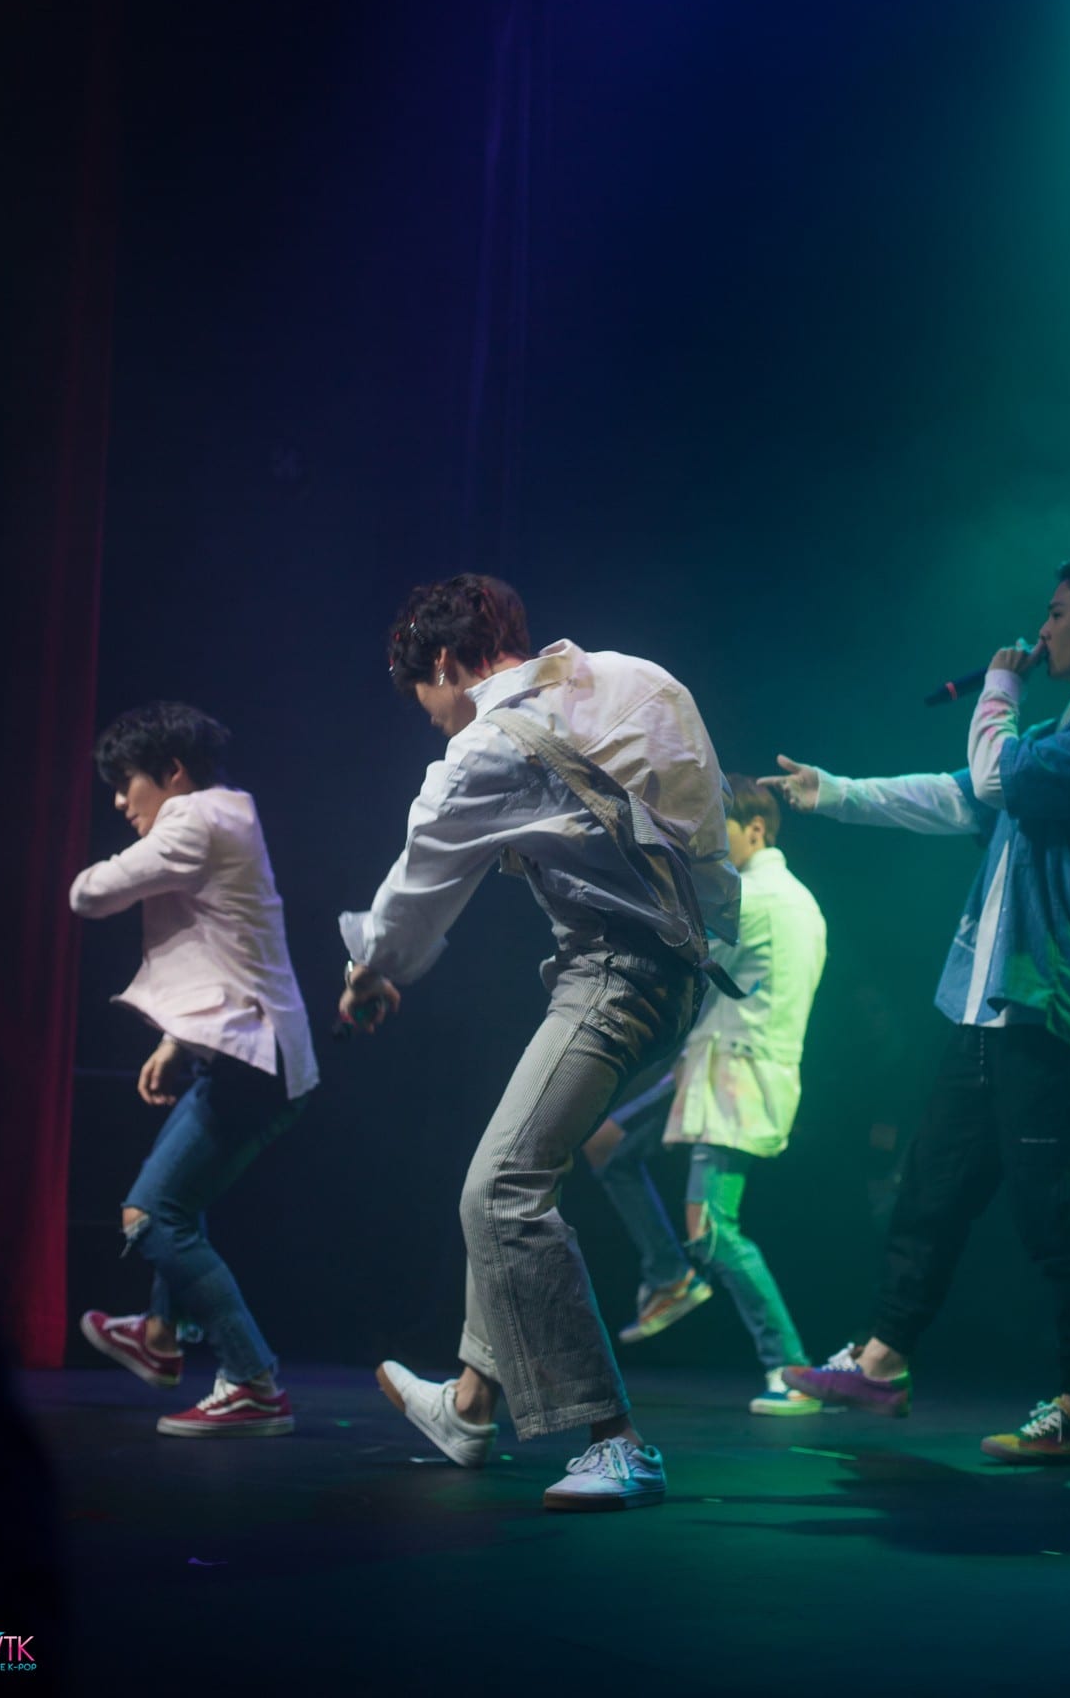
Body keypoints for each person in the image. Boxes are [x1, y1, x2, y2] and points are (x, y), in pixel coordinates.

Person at [338, 574, 738, 1511]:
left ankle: (616, 1442)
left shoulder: (483, 748)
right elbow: (706, 827)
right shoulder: (640, 677)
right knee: (518, 1168)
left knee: (500, 1188)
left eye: (424, 695)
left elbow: (415, 894)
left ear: (445, 663)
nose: (430, 716)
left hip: (616, 976)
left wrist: (370, 971)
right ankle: (471, 1405)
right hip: (686, 973)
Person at [762, 559, 1070, 1464]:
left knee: (1058, 1215)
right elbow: (956, 794)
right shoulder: (1059, 736)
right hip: (986, 1010)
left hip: (1047, 1009)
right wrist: (835, 792)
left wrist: (999, 686)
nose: (1041, 630)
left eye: (1055, 613)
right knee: (932, 1192)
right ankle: (882, 1361)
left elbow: (990, 779)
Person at [70, 702, 316, 1437]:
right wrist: (178, 1042)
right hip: (249, 1054)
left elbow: (91, 895)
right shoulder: (226, 815)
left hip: (255, 1063)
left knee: (152, 1217)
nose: (121, 801)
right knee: (173, 1205)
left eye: (128, 782)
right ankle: (159, 1334)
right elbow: (230, 945)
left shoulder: (195, 819)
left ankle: (253, 1381)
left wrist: (77, 876)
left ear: (173, 773)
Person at [583, 775, 827, 1415]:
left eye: (724, 827)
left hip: (736, 1076)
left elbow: (686, 962)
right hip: (716, 1066)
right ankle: (669, 1276)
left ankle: (790, 1368)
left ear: (756, 829)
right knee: (606, 1144)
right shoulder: (796, 899)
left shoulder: (759, 899)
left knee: (714, 1230)